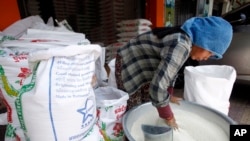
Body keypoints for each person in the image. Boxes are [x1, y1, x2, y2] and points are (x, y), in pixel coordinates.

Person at [115, 16, 233, 129]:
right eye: (210, 53)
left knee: (152, 101)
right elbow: (157, 87)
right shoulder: (181, 45)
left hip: (145, 61)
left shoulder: (188, 41)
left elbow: (170, 73)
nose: (208, 58)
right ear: (204, 42)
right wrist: (168, 116)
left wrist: (168, 95)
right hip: (129, 60)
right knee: (134, 108)